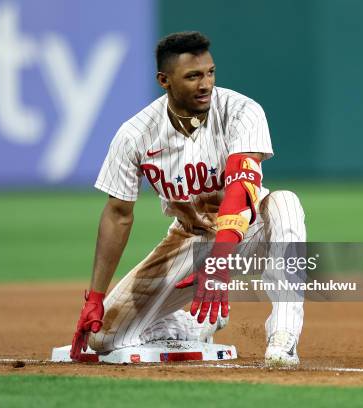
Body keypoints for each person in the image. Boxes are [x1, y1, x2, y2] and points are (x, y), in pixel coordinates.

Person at [70, 31, 306, 367]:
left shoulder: (241, 111)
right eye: (193, 76)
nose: (205, 84)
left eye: (210, 72)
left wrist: (221, 262)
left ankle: (284, 338)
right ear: (164, 81)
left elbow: (240, 190)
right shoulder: (135, 135)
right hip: (192, 240)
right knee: (102, 337)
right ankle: (198, 323)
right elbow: (118, 214)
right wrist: (94, 297)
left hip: (252, 230)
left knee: (286, 205)